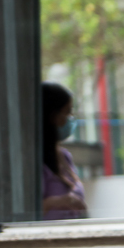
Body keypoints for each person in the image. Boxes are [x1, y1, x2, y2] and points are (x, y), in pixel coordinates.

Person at [42, 82, 87, 220]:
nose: (70, 119)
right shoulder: (33, 162)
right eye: (66, 112)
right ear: (51, 115)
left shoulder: (64, 156)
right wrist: (58, 201)